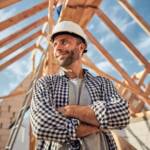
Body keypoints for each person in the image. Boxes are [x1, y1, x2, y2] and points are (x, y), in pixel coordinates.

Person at [30, 21, 130, 150]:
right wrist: (96, 123)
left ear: (81, 48)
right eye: (55, 44)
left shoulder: (103, 83)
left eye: (64, 42)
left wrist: (69, 110)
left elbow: (122, 115)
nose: (57, 48)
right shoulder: (45, 83)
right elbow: (42, 125)